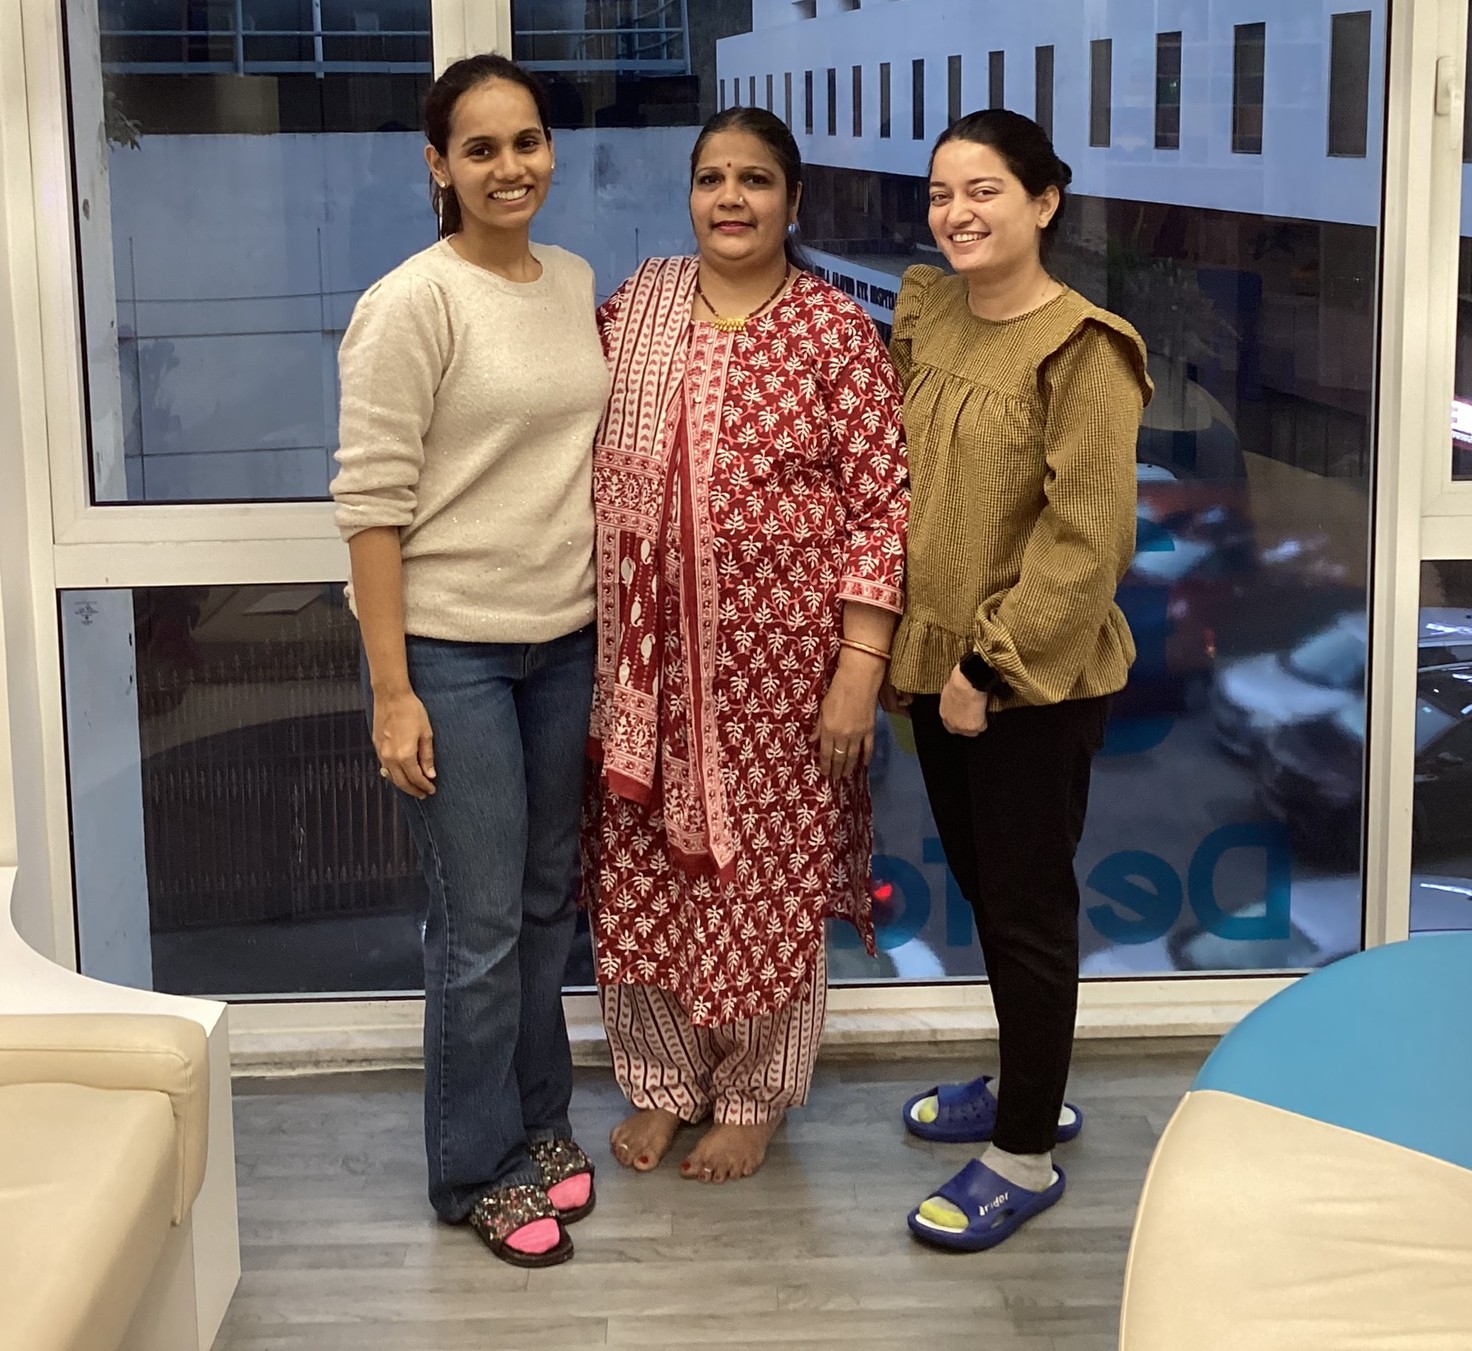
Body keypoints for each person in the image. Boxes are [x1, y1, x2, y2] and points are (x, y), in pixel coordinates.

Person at [584, 107, 909, 1185]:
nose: (730, 197)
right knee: (643, 872)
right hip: (644, 678)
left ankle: (755, 1094)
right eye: (711, 177)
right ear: (689, 195)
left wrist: (857, 669)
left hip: (781, 679)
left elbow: (881, 509)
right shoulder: (635, 310)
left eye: (755, 179)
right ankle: (663, 1079)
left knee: (766, 880)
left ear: (792, 201)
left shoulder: (832, 332)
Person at [330, 54, 608, 1268]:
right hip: (452, 652)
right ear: (436, 165)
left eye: (527, 141)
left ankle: (539, 1122)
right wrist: (392, 690)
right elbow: (369, 507)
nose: (510, 167)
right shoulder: (411, 302)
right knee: (479, 925)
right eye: (481, 148)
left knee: (546, 908)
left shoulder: (574, 282)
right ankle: (474, 1169)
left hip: (565, 641)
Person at [887, 109, 1151, 1251]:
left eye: (984, 190)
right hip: (933, 666)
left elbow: (1088, 543)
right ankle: (1022, 1084)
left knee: (1029, 910)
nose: (956, 213)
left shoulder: (1084, 348)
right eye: (941, 192)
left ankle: (1024, 1152)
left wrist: (986, 667)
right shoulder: (931, 309)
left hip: (1026, 682)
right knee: (990, 896)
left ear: (1043, 202)